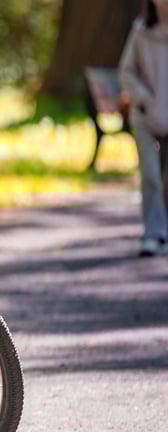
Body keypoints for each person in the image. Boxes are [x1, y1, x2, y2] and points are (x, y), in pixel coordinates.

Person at [120, 0, 168, 257]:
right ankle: (152, 233)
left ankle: (164, 232)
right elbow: (126, 72)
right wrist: (143, 98)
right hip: (145, 117)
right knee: (150, 175)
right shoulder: (140, 31)